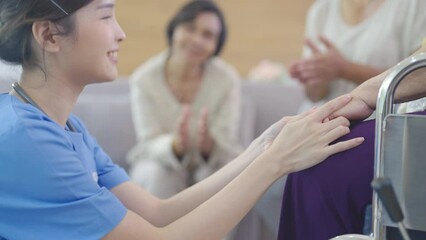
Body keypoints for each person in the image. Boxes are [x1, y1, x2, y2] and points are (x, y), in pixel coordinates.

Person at [0, 0, 364, 239]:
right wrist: (275, 161)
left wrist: (261, 147)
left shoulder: (68, 128)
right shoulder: (30, 140)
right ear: (49, 35)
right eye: (106, 15)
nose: (120, 33)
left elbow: (160, 212)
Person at [278, 42, 426, 240]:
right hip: (384, 103)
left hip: (394, 104)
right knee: (310, 156)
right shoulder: (321, 11)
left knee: (320, 163)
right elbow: (313, 93)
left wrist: (362, 96)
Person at [126, 0, 242, 198]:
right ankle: (155, 231)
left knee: (222, 175)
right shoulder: (144, 79)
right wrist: (175, 146)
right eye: (190, 28)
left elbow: (227, 143)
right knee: (159, 173)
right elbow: (149, 141)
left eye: (208, 35)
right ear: (174, 30)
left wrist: (209, 145)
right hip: (157, 163)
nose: (197, 40)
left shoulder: (227, 80)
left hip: (211, 165)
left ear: (216, 45)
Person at [289, 0, 426, 113]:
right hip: (327, 118)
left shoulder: (413, 5)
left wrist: (345, 70)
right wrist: (315, 74)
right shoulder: (320, 10)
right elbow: (313, 96)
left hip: (380, 121)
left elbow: (416, 76)